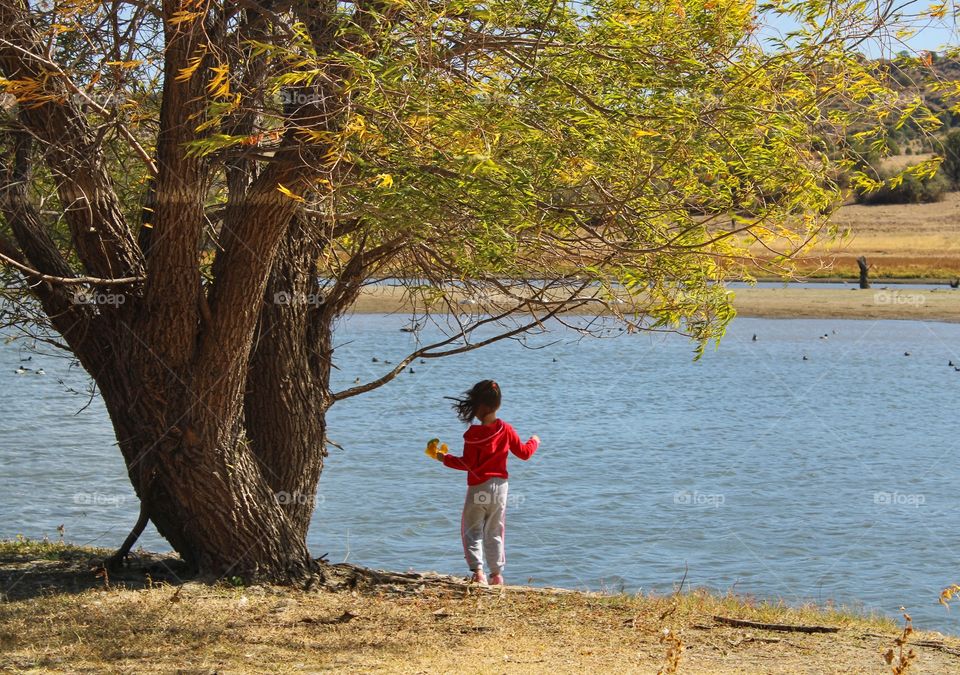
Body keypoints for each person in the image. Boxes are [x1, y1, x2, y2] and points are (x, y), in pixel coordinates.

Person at [433, 379, 539, 585]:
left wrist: (442, 457)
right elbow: (525, 454)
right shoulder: (506, 429)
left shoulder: (472, 435)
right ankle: (497, 575)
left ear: (476, 407)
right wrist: (534, 441)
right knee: (495, 530)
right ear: (498, 404)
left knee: (472, 530)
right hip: (500, 488)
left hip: (478, 488)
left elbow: (467, 464)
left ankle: (478, 572)